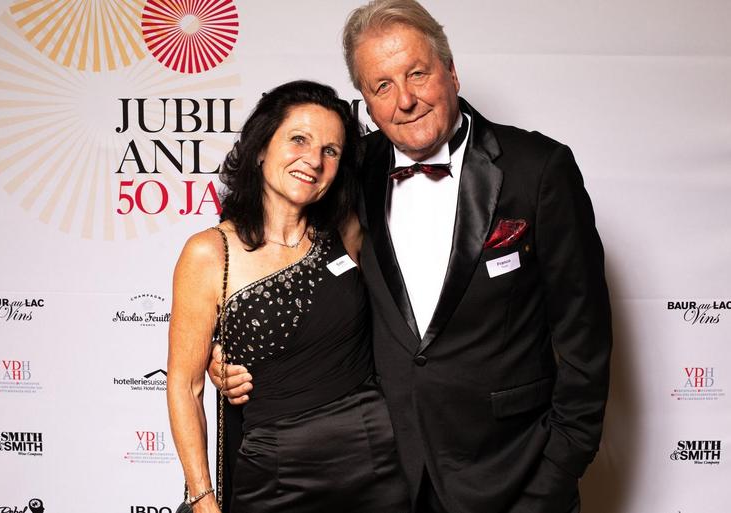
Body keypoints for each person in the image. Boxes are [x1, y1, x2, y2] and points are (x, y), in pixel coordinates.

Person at [213, 1, 612, 512]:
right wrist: (230, 349)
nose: (404, 100)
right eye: (382, 86)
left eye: (417, 74)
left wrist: (556, 472)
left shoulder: (537, 169)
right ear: (366, 102)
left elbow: (585, 339)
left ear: (451, 71)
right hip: (386, 475)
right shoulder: (350, 170)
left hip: (516, 473)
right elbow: (278, 254)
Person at [167, 80, 410, 513]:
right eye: (299, 139)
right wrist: (202, 498)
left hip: (377, 462)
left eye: (330, 150)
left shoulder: (347, 232)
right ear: (261, 148)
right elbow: (185, 386)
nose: (313, 160)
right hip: (274, 476)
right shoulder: (210, 253)